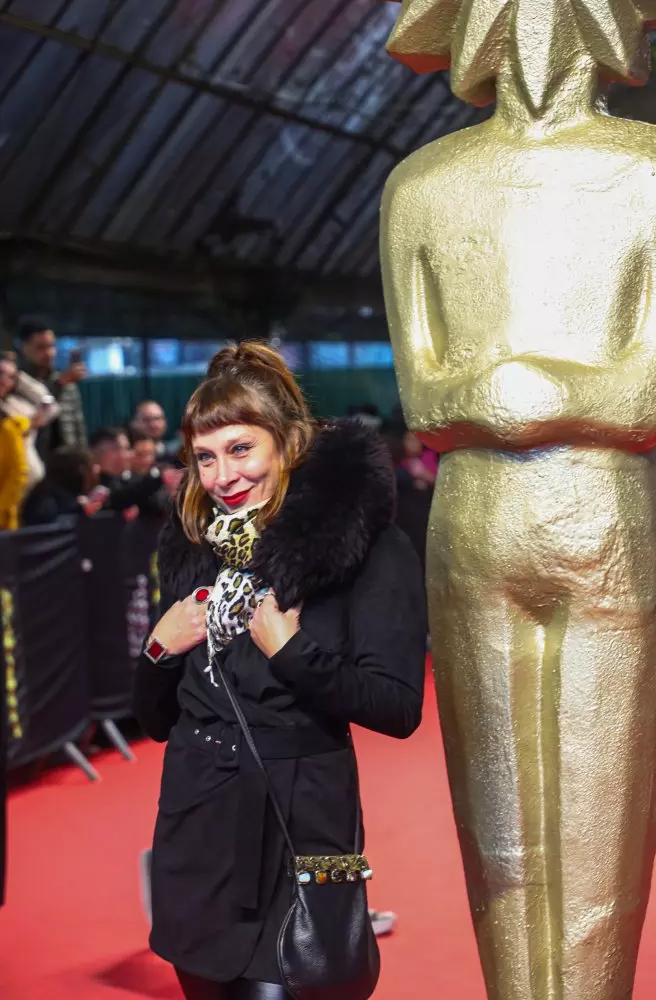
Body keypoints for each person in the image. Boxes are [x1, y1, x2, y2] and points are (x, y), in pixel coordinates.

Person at [133, 342, 427, 1000]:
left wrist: (292, 651)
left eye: (241, 449)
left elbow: (397, 706)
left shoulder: (366, 546)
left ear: (286, 442)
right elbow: (155, 721)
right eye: (204, 457)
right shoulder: (193, 548)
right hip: (197, 823)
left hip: (297, 825)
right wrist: (159, 648)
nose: (221, 475)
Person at [17, 318, 87, 459]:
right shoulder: (17, 383)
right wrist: (59, 386)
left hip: (68, 462)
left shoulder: (66, 382)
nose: (49, 353)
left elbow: (78, 426)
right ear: (25, 348)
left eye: (51, 346)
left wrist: (84, 459)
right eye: (41, 347)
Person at [88, 427, 166, 516]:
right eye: (117, 449)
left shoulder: (136, 480)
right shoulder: (87, 483)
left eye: (127, 448)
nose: (127, 454)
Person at [21, 446, 101, 525]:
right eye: (90, 466)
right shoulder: (47, 504)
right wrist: (81, 512)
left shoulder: (54, 497)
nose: (97, 469)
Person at [0, 353, 30, 530]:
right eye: (0, 373)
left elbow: (19, 473)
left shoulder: (10, 424)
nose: (4, 381)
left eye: (11, 377)